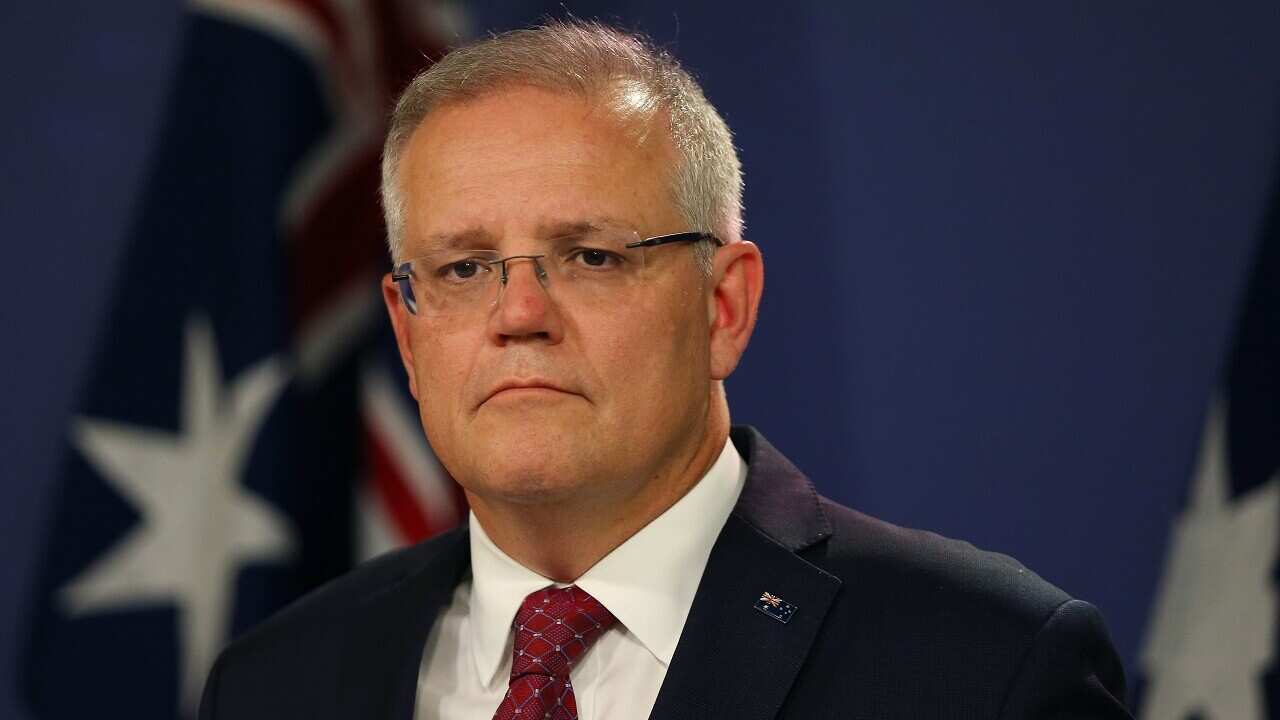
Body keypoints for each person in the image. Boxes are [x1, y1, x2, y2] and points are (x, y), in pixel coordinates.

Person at [200, 20, 1132, 720]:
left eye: (592, 256)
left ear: (724, 307)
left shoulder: (984, 668)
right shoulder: (278, 684)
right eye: (462, 268)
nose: (518, 315)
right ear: (407, 338)